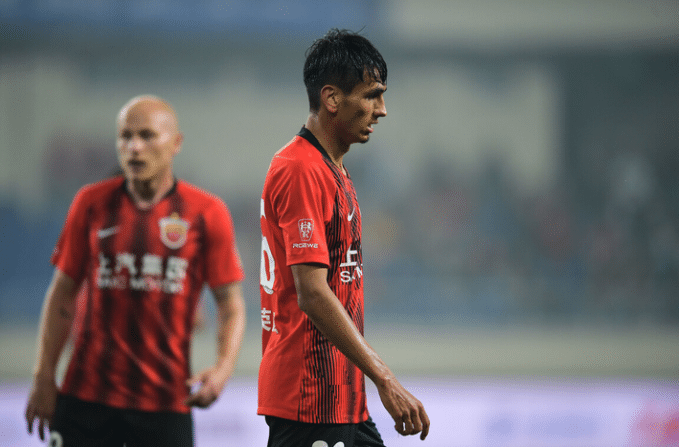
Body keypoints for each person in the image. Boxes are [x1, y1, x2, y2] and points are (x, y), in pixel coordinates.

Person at [24, 95, 246, 447]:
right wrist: (43, 376)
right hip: (86, 400)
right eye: (125, 136)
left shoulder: (207, 212)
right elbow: (62, 295)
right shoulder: (90, 203)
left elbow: (231, 304)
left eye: (146, 135)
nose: (134, 147)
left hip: (165, 405)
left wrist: (222, 370)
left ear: (176, 143)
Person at [258, 29, 430, 446]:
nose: (382, 110)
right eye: (372, 95)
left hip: (341, 398)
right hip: (309, 399)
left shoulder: (332, 168)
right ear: (332, 98)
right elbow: (313, 293)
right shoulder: (300, 169)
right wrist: (385, 378)